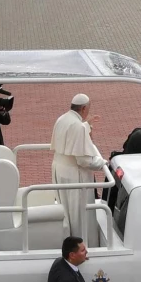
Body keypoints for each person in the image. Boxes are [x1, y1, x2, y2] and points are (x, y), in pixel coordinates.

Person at [51, 94, 107, 246]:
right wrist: (102, 163)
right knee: (78, 213)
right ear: (83, 108)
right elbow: (83, 160)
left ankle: (68, 242)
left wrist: (87, 125)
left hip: (60, 170)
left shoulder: (62, 118)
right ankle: (81, 245)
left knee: (66, 211)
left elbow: (72, 136)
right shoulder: (77, 125)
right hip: (74, 175)